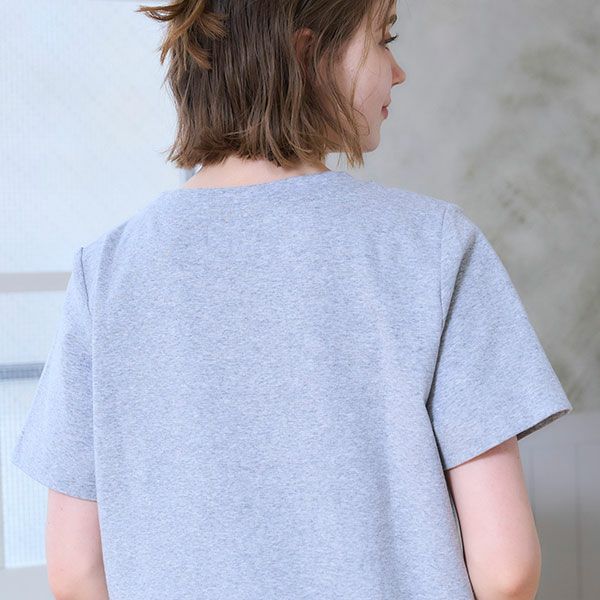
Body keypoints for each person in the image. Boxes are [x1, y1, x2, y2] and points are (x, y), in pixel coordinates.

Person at [11, 1, 573, 599]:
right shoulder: (433, 246)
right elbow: (506, 569)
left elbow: (75, 569)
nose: (398, 71)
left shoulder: (107, 270)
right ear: (308, 54)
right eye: (383, 40)